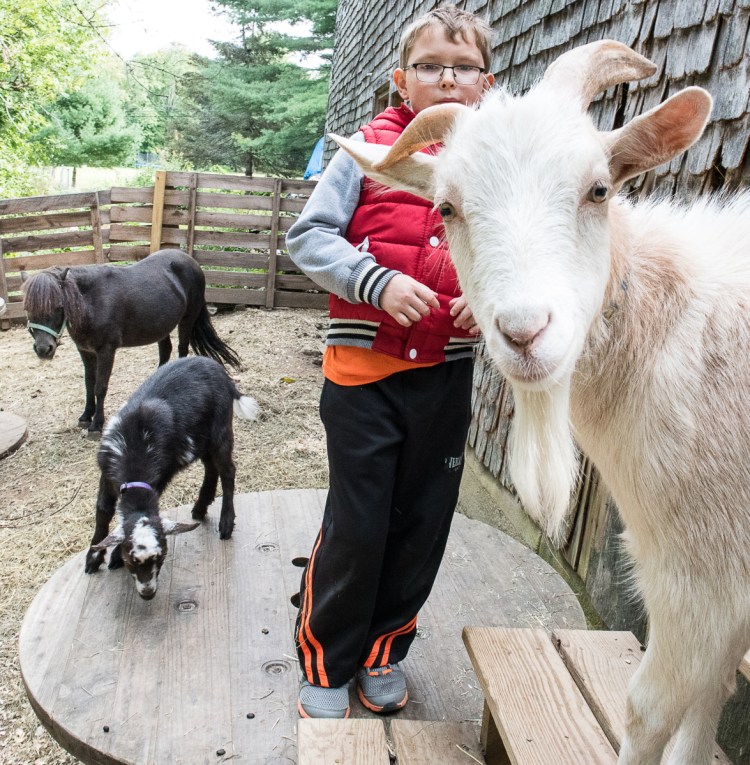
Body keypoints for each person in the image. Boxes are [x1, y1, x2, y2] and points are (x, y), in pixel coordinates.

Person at [286, 5, 495, 720]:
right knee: (359, 521)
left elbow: (520, 250)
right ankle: (327, 656)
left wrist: (487, 296)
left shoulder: (501, 164)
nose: (446, 78)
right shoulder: (363, 149)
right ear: (402, 79)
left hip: (446, 375)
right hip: (361, 375)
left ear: (485, 83)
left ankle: (383, 651)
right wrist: (375, 281)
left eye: (462, 67)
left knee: (422, 521)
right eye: (431, 66)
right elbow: (308, 237)